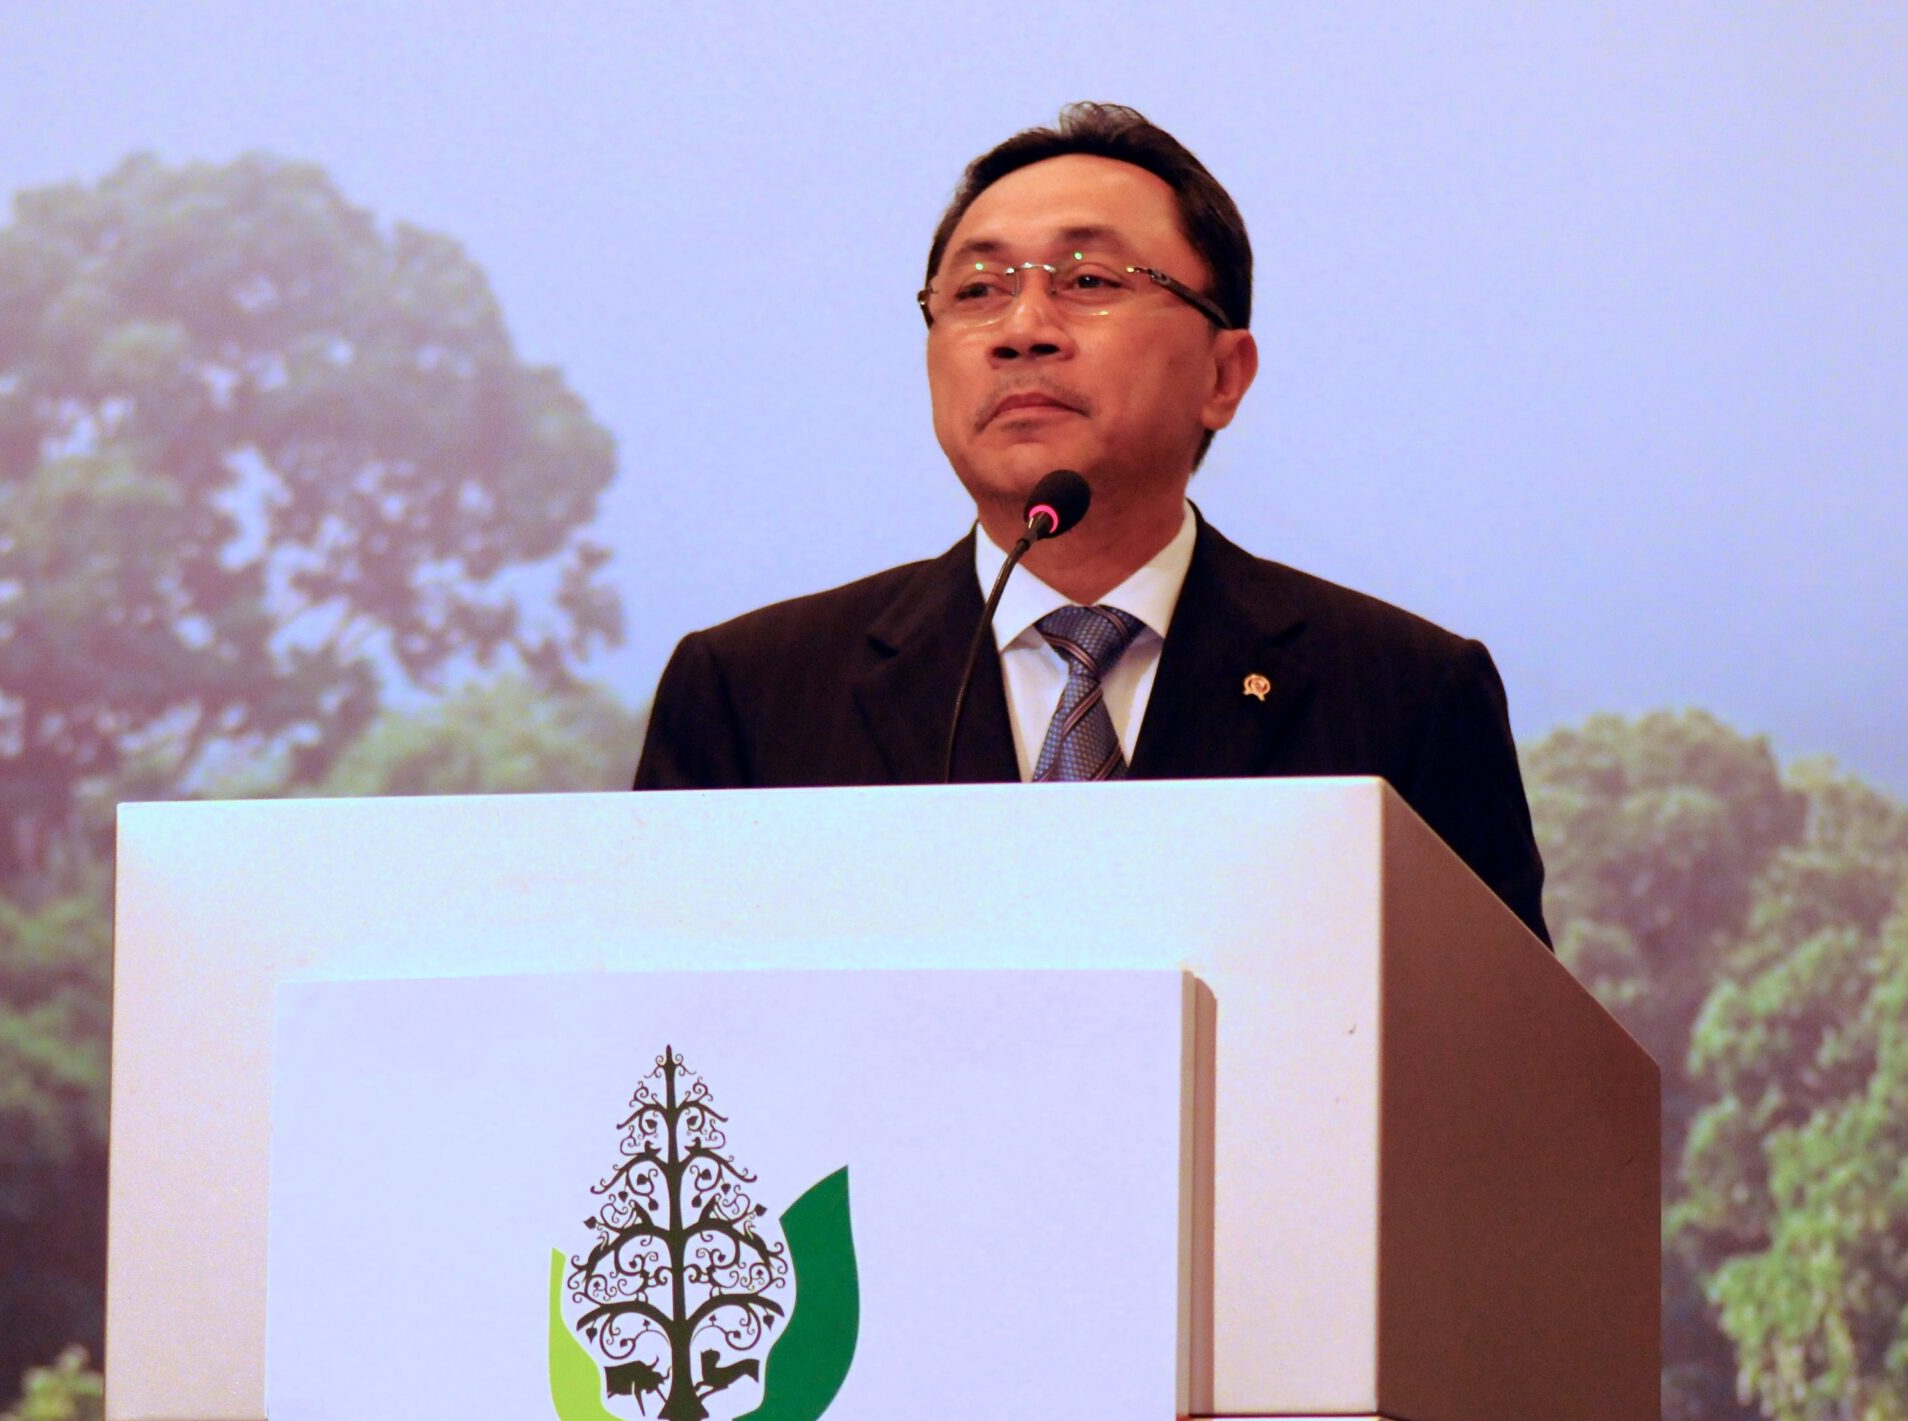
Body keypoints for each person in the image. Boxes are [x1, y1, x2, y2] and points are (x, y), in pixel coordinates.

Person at [634, 103, 1548, 943]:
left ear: (1223, 376)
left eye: (1088, 280)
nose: (1022, 328)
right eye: (979, 290)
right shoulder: (751, 697)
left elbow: (1496, 1071)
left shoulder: (1406, 696)